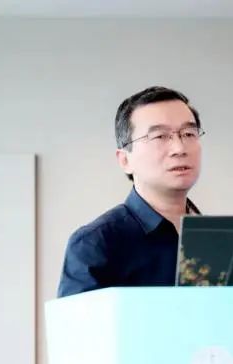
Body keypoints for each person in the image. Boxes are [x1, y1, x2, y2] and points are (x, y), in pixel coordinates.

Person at [57, 86, 205, 297]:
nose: (179, 149)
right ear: (125, 160)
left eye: (189, 133)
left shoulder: (223, 239)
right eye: (160, 136)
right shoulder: (95, 243)